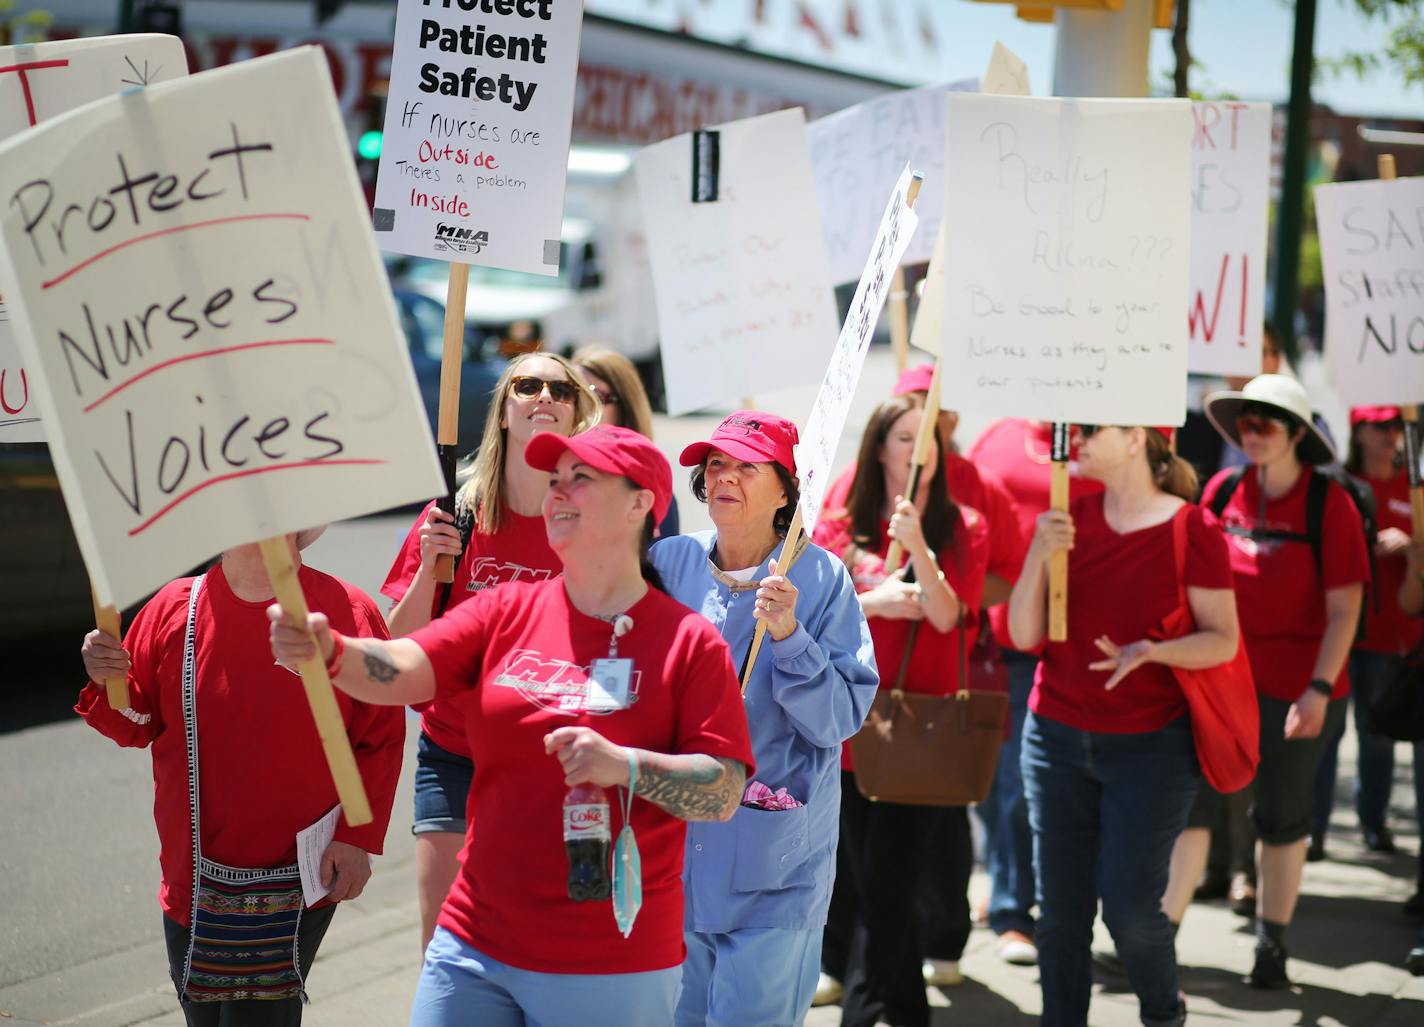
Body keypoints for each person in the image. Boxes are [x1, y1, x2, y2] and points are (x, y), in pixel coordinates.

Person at [271, 426, 756, 1027]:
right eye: (554, 482)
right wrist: (333, 651)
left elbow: (723, 790)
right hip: (475, 943)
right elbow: (404, 667)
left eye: (582, 479)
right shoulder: (507, 610)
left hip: (610, 964)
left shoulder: (689, 642)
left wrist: (625, 765)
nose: (558, 494)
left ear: (639, 504)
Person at [77, 529, 404, 1027]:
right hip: (192, 878)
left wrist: (358, 837)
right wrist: (108, 679)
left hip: (300, 874)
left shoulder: (348, 610)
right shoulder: (173, 609)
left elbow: (380, 736)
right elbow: (134, 724)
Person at [649, 411, 879, 1027]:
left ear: (788, 489)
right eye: (716, 463)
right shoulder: (670, 561)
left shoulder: (822, 577)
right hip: (674, 853)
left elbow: (840, 718)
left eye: (746, 466)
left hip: (775, 863)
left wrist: (789, 636)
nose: (724, 476)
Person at [1008, 424, 1239, 1027]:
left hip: (1152, 748)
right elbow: (1024, 635)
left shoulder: (1195, 528)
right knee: (1059, 914)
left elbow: (1222, 639)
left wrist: (1153, 652)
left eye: (1091, 430)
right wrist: (1038, 553)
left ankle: (1163, 1012)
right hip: (1054, 737)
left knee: (1132, 911)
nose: (1074, 440)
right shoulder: (1068, 513)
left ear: (1137, 437)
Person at [381, 351, 600, 950]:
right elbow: (398, 644)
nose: (545, 396)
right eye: (527, 385)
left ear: (578, 412)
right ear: (504, 410)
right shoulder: (456, 516)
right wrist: (431, 566)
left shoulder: (591, 521)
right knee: (447, 946)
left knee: (542, 947)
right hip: (454, 755)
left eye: (561, 388)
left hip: (553, 765)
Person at [811, 395, 989, 1027]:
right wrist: (873, 599)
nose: (920, 450)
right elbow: (812, 612)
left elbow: (948, 615)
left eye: (929, 438)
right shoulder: (836, 523)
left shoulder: (963, 523)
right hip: (851, 725)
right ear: (880, 447)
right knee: (860, 885)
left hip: (921, 732)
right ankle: (896, 1011)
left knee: (889, 886)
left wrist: (920, 545)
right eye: (906, 437)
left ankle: (871, 1014)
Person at [1201, 373, 1369, 988]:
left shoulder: (1332, 505)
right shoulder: (1220, 492)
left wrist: (1319, 689)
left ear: (1298, 433)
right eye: (1245, 422)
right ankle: (1159, 934)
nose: (1253, 432)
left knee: (1282, 816)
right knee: (1195, 808)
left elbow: (1345, 609)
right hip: (1220, 686)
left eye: (1267, 423)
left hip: (1298, 692)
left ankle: (1271, 944)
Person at [967, 417, 1105, 965]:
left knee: (1030, 785)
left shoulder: (1107, 434)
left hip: (1080, 634)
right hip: (1005, 634)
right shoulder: (995, 435)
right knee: (1000, 780)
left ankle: (1020, 907)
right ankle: (1008, 893)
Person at [1312, 406, 1420, 858]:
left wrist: (1410, 545)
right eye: (1381, 426)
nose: (1392, 435)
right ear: (1358, 431)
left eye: (1398, 426)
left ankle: (1372, 823)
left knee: (1374, 735)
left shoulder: (1412, 488)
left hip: (1388, 634)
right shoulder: (1336, 486)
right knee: (1323, 735)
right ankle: (1312, 833)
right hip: (1335, 631)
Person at [572, 345, 680, 538]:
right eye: (569, 393)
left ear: (625, 408)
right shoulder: (545, 480)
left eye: (593, 396)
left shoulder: (655, 496)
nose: (578, 405)